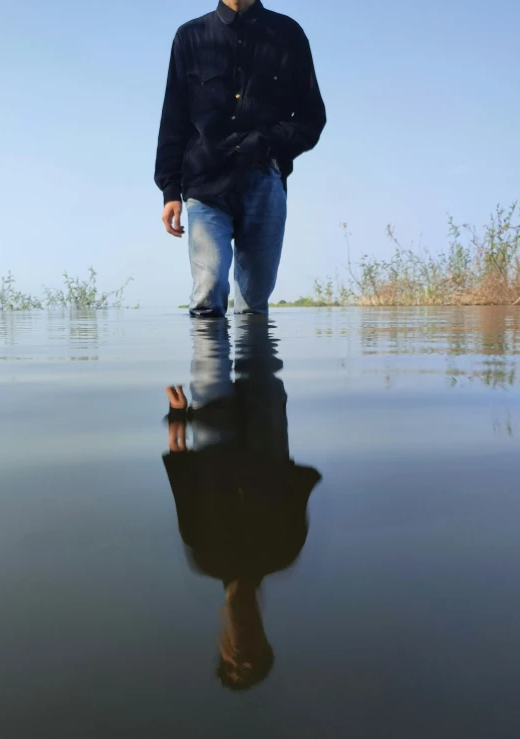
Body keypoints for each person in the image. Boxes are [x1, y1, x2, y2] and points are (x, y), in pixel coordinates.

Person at [163, 317, 321, 689]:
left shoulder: (206, 557)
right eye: (251, 656)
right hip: (264, 420)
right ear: (265, 641)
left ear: (221, 644)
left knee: (209, 320)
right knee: (254, 318)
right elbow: (299, 480)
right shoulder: (283, 552)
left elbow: (184, 482)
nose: (240, 652)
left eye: (232, 659)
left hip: (210, 419)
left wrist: (177, 416)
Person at [155, 0, 326, 317]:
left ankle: (256, 366)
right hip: (204, 183)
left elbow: (311, 118)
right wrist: (169, 190)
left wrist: (267, 142)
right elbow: (173, 120)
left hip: (264, 180)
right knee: (207, 295)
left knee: (253, 306)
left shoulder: (287, 34)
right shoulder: (189, 36)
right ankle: (209, 364)